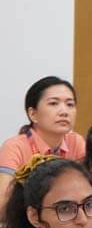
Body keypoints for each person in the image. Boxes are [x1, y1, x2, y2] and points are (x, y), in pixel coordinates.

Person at [0, 77, 85, 211]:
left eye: (70, 104)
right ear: (33, 114)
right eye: (53, 103)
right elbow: (3, 205)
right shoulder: (15, 146)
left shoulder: (76, 142)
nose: (64, 112)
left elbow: (87, 191)